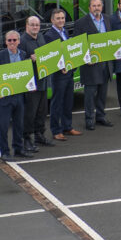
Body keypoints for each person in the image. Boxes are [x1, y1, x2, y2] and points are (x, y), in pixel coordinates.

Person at [0, 31, 32, 161]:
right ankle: (5, 152)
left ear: (19, 41)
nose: (12, 43)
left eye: (14, 40)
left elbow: (26, 74)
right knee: (4, 125)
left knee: (19, 124)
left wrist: (30, 85)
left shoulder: (23, 55)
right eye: (9, 40)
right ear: (6, 42)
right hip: (6, 97)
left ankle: (18, 149)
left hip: (19, 96)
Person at [72, 0, 114, 131]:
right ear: (89, 8)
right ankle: (89, 119)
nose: (97, 8)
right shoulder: (81, 23)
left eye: (99, 5)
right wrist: (85, 58)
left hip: (105, 63)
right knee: (90, 95)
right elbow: (78, 43)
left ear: (102, 7)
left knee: (103, 93)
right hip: (90, 65)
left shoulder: (107, 19)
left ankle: (101, 116)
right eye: (94, 6)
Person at [44, 9, 80, 141]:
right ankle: (56, 130)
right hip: (59, 75)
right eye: (58, 18)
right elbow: (51, 57)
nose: (61, 20)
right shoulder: (49, 35)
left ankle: (67, 127)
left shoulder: (64, 32)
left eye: (63, 18)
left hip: (69, 72)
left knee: (68, 101)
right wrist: (60, 68)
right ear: (52, 20)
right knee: (57, 103)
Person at [19, 15, 52, 153]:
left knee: (42, 111)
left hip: (42, 81)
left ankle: (39, 134)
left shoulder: (41, 37)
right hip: (30, 84)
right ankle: (26, 139)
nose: (35, 27)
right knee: (29, 113)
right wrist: (29, 60)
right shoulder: (21, 41)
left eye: (37, 25)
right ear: (27, 26)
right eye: (32, 25)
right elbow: (17, 63)